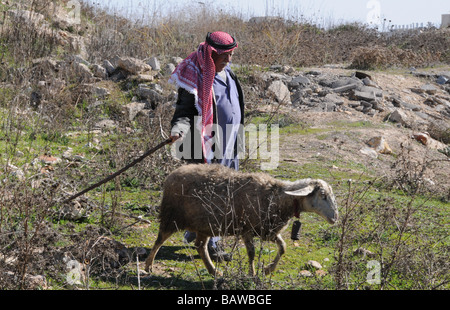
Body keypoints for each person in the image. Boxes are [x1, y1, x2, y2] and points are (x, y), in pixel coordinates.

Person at [168, 31, 245, 261]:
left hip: (229, 143)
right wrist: (178, 130)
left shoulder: (227, 72)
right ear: (211, 55)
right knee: (214, 193)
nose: (228, 60)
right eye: (224, 56)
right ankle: (213, 243)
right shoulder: (195, 75)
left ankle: (194, 231)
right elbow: (183, 110)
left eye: (231, 55)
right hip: (207, 144)